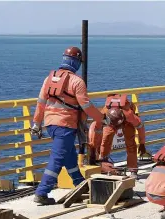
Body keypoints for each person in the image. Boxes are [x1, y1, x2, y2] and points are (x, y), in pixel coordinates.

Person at [31, 46, 106, 205]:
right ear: (77, 62)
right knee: (57, 159)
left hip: (50, 124)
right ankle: (42, 192)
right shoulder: (77, 81)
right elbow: (86, 106)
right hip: (66, 125)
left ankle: (80, 185)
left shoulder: (49, 79)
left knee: (70, 157)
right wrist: (101, 118)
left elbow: (40, 103)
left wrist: (36, 124)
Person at [88, 94, 147, 178]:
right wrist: (93, 149)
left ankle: (133, 170)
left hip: (127, 122)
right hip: (111, 122)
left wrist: (142, 143)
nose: (117, 129)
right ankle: (105, 163)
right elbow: (96, 131)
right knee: (105, 140)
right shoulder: (102, 115)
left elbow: (140, 127)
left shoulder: (129, 115)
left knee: (131, 144)